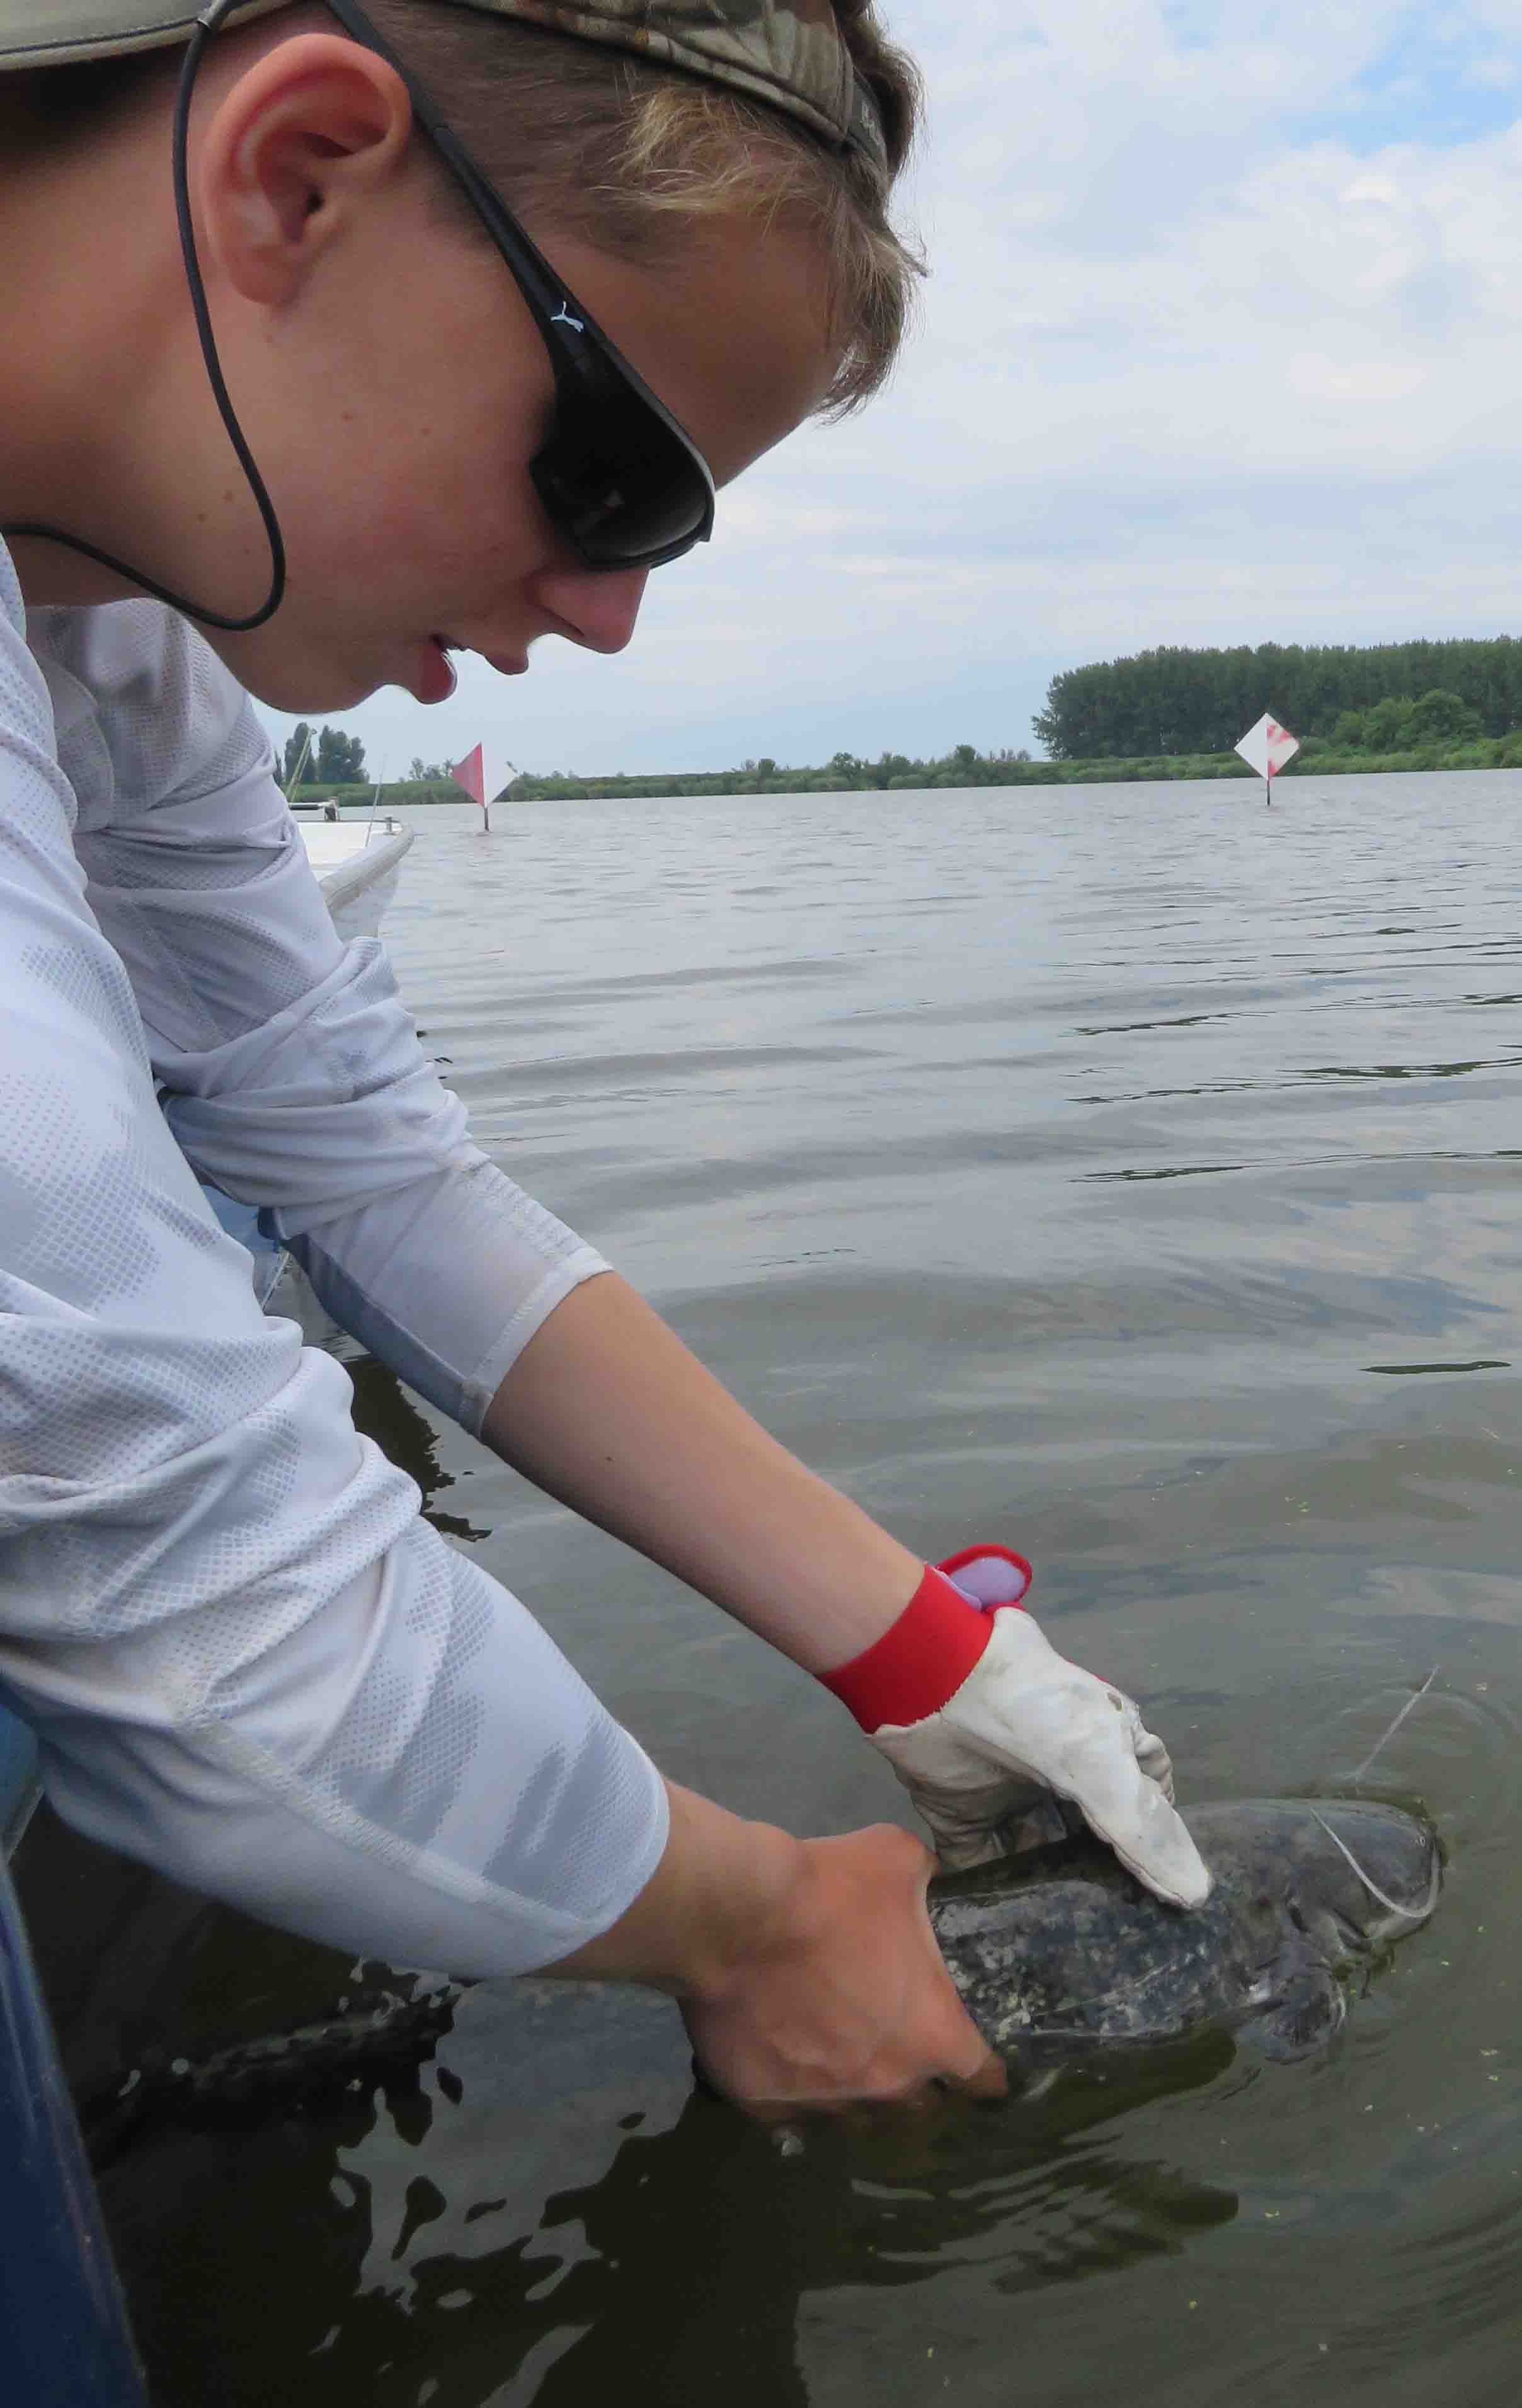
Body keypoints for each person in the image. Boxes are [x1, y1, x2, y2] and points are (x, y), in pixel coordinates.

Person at [0, 0, 1209, 2115]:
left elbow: (367, 1165)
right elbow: (157, 1545)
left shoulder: (98, 629)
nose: (608, 611)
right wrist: (753, 1924)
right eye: (611, 470)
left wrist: (926, 1649)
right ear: (296, 175)